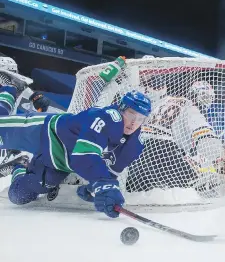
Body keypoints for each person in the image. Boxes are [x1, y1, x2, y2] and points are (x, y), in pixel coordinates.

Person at [0, 90, 151, 218]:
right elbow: (84, 156)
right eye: (131, 115)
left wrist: (94, 189)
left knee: (18, 197)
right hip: (46, 132)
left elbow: (111, 172)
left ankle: (18, 164)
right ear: (121, 109)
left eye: (140, 118)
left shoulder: (135, 145)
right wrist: (105, 185)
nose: (134, 123)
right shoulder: (106, 117)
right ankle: (10, 89)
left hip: (58, 161)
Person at [126, 77, 224, 196]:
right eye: (205, 97)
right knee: (203, 186)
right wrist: (220, 159)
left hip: (135, 153)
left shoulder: (164, 100)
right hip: (165, 154)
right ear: (196, 96)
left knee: (133, 188)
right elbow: (205, 138)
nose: (206, 102)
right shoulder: (191, 108)